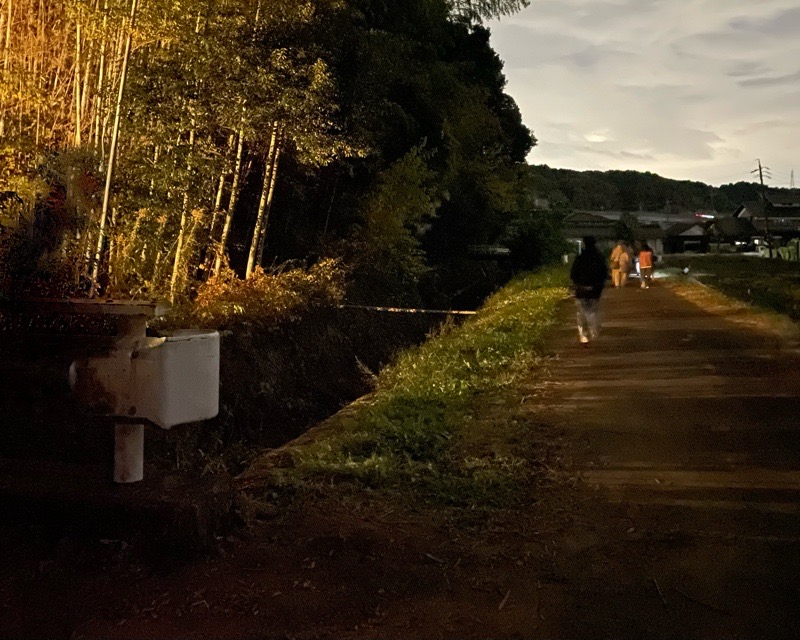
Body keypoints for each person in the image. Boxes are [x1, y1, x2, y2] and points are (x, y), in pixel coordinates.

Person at [570, 236, 609, 344]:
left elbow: (573, 273)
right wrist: (600, 284)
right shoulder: (599, 257)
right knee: (593, 310)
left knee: (581, 311)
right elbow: (604, 272)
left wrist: (576, 282)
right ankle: (594, 331)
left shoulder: (580, 257)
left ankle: (583, 334)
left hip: (581, 288)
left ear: (584, 243)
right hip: (595, 288)